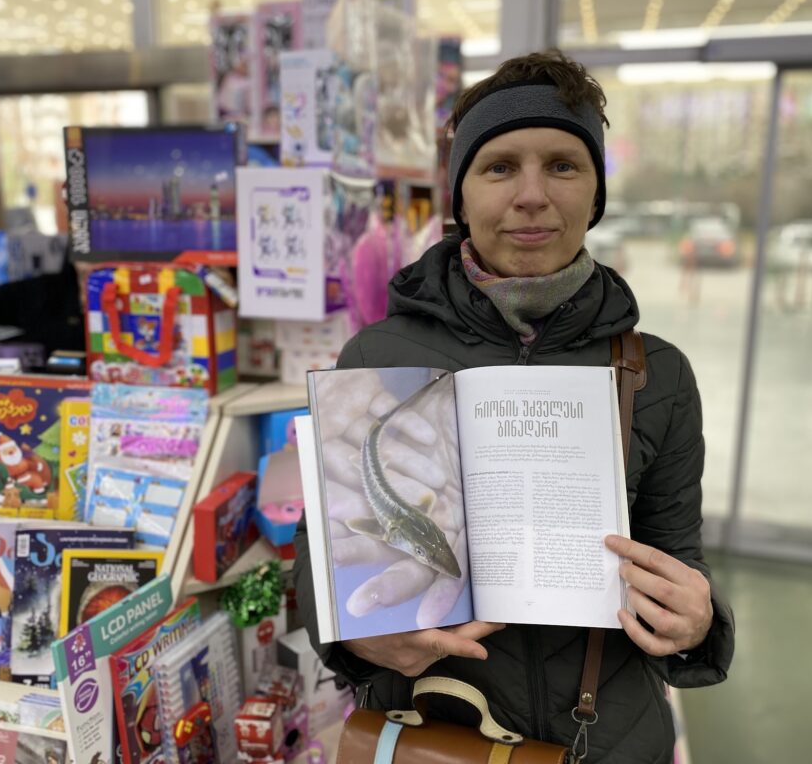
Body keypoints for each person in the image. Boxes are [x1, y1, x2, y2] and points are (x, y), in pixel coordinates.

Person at [294, 49, 735, 762]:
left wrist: (697, 622)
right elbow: (322, 555)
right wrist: (355, 637)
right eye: (499, 167)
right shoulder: (377, 358)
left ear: (595, 192)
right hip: (435, 733)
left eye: (563, 165)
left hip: (608, 739)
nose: (532, 195)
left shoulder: (656, 375)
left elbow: (677, 558)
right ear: (461, 195)